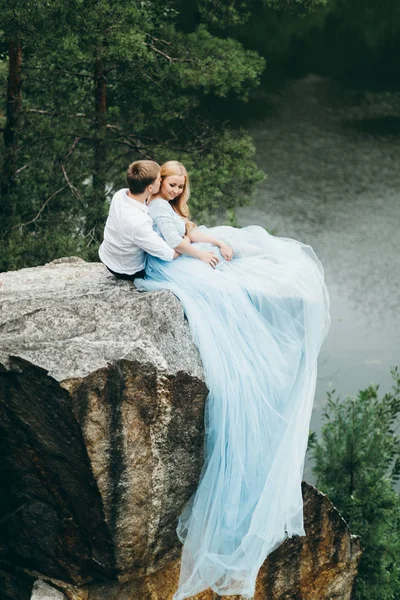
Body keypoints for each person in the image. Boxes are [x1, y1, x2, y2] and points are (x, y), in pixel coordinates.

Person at [135, 161, 331, 600]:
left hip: (180, 252)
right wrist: (200, 252)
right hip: (167, 266)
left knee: (238, 258)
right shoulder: (154, 210)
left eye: (181, 184)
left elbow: (188, 230)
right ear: (159, 182)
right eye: (171, 183)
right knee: (224, 292)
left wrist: (214, 241)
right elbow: (173, 244)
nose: (176, 188)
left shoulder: (171, 207)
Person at [98, 160, 180, 281]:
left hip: (108, 256)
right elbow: (169, 254)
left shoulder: (120, 195)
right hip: (127, 270)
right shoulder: (138, 223)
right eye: (159, 179)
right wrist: (185, 241)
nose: (161, 180)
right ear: (150, 188)